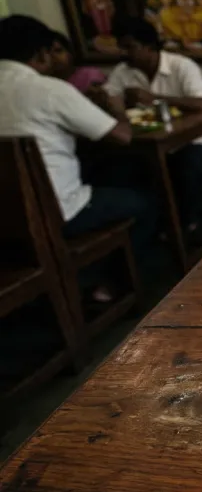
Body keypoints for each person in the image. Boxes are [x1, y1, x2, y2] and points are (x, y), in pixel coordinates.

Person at [0, 15, 153, 301]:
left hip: (6, 222)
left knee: (110, 170)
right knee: (145, 202)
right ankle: (107, 285)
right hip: (54, 216)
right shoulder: (50, 90)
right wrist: (116, 107)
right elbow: (122, 136)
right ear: (41, 53)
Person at [101, 17, 202, 235]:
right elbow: (111, 98)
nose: (123, 53)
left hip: (187, 141)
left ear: (149, 46)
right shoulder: (123, 71)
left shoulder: (181, 66)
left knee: (189, 169)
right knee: (118, 171)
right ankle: (146, 229)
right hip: (144, 143)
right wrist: (109, 103)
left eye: (129, 47)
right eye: (120, 47)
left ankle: (188, 226)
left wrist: (154, 98)